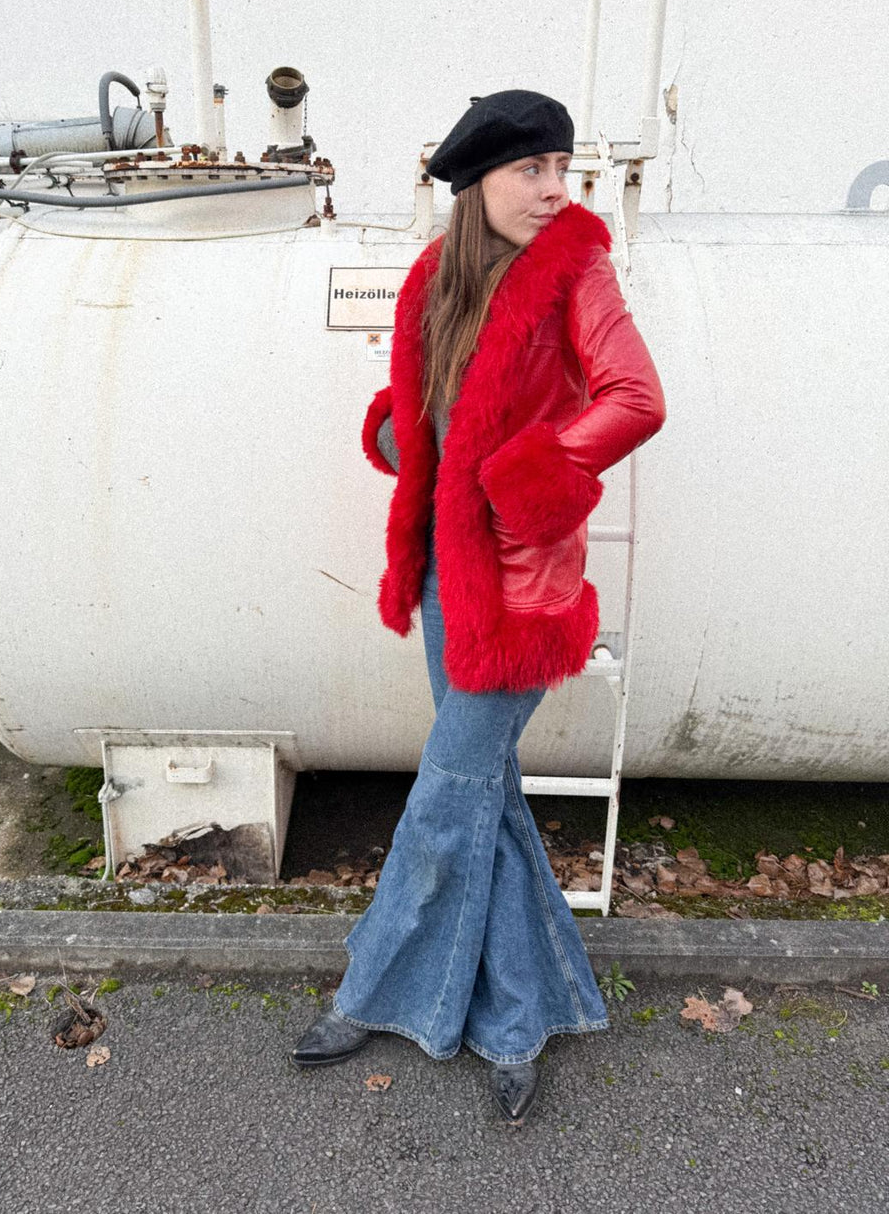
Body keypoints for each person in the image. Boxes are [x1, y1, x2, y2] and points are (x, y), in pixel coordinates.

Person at [289, 90, 666, 1125]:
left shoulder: (577, 270)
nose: (553, 189)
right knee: (485, 801)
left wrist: (525, 472)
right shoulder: (433, 280)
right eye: (531, 171)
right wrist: (397, 438)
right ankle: (518, 1024)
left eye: (561, 169)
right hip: (442, 577)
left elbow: (637, 397)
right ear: (476, 187)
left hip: (523, 588)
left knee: (446, 800)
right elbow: (413, 404)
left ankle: (367, 993)